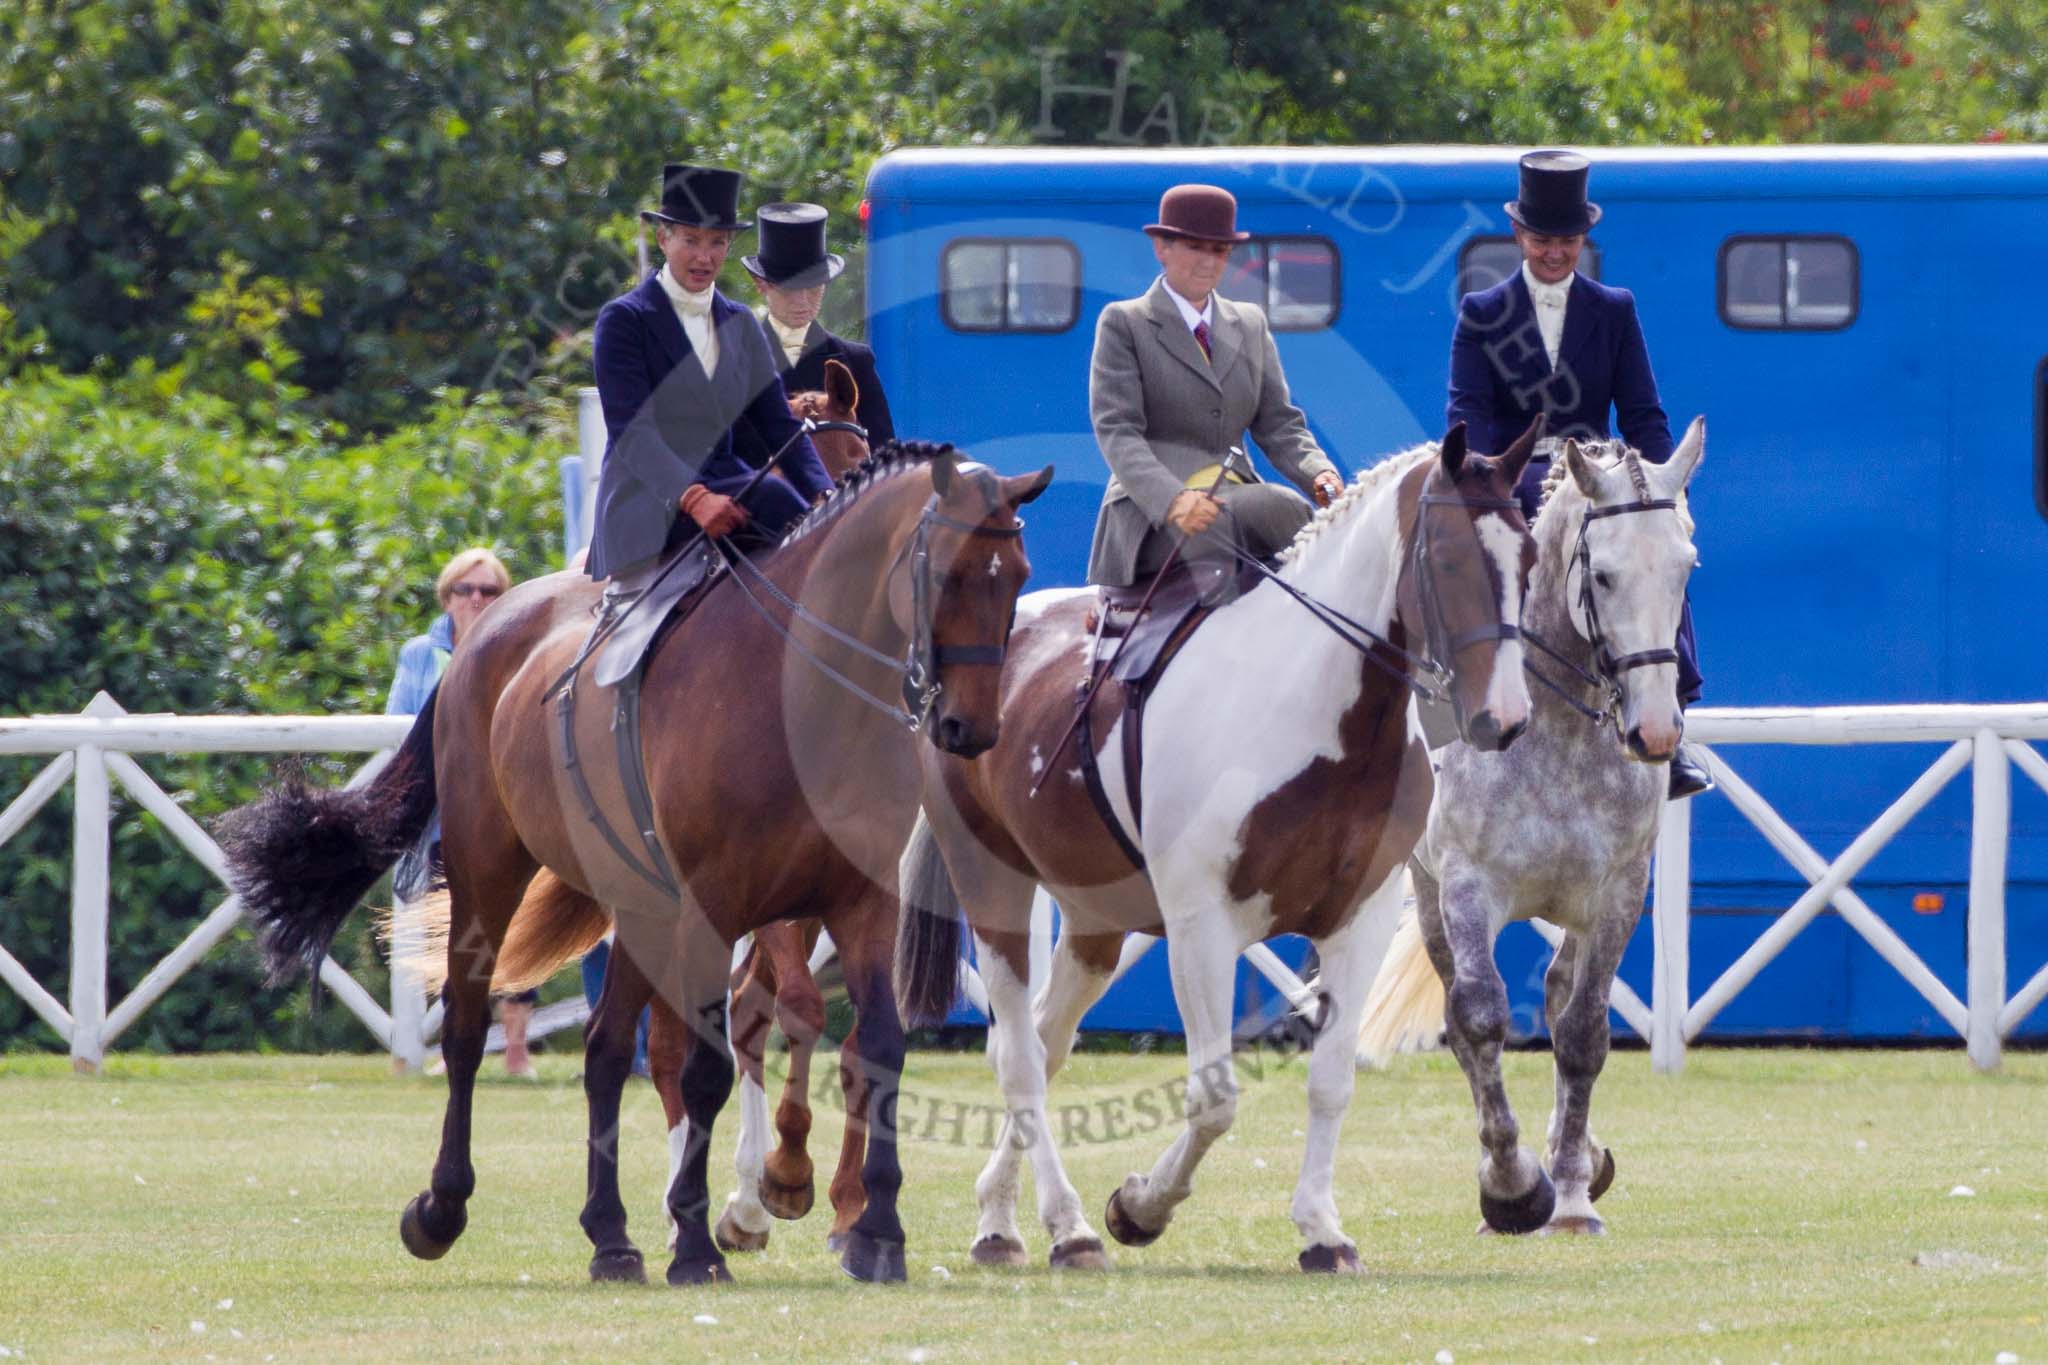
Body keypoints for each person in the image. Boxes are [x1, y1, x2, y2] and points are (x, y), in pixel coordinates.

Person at [1445, 149, 1711, 798]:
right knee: (1473, 562)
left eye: (1567, 240)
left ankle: (1672, 715)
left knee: (1656, 554)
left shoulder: (1614, 309)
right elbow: (1468, 414)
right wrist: (1490, 485)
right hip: (1515, 481)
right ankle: (1457, 715)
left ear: (1582, 239)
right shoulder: (1483, 313)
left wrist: (1660, 495)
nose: (1555, 252)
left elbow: (1644, 415)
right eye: (1543, 239)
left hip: (1599, 484)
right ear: (1519, 236)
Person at [585, 163, 833, 659]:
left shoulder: (740, 323)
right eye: (692, 241)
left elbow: (778, 426)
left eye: (717, 243)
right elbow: (634, 434)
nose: (706, 256)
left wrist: (829, 495)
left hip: (732, 488)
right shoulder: (625, 320)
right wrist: (693, 498)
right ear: (663, 238)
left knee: (806, 522)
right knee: (773, 498)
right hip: (649, 499)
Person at [1085, 183, 1343, 594]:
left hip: (1234, 500)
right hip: (1154, 516)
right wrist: (1173, 499)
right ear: (1161, 248)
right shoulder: (1125, 322)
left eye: (1219, 251)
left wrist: (1319, 472)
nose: (1208, 262)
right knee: (1282, 508)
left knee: (1302, 532)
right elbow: (1118, 432)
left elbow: (1280, 426)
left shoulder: (1250, 323)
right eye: (1194, 247)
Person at [386, 547, 539, 1079]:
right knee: (447, 931)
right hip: (442, 817)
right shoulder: (419, 656)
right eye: (466, 590)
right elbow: (397, 724)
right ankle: (445, 1039)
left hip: (507, 811)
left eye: (489, 591)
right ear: (447, 597)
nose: (476, 599)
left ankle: (517, 1048)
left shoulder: (519, 647)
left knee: (515, 928)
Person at [736, 201, 895, 450]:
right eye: (789, 289)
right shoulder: (735, 357)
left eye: (812, 288)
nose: (801, 301)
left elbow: (882, 452)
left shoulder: (855, 360)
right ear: (760, 283)